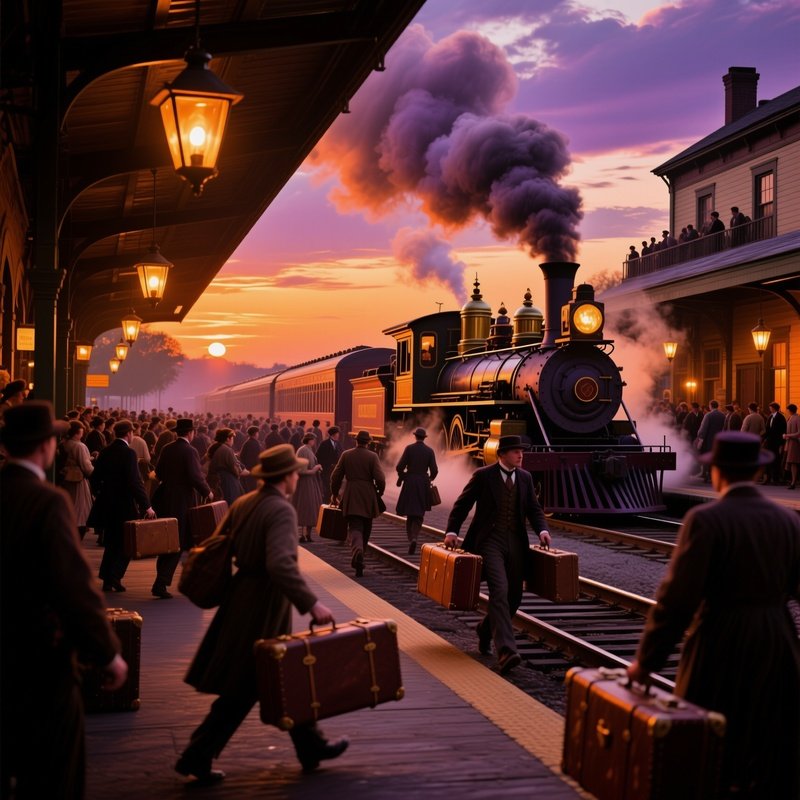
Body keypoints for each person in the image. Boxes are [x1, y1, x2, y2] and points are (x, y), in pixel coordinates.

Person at [627, 432, 800, 799]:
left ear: (718, 473)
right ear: (756, 473)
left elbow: (677, 600)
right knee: (771, 737)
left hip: (722, 636)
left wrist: (646, 661)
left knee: (711, 736)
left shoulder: (706, 519)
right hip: (776, 637)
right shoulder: (789, 521)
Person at [176, 445, 349, 783]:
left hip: (241, 597)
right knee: (251, 682)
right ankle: (197, 755)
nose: (298, 476)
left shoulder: (244, 502)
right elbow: (280, 564)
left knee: (275, 675)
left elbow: (219, 542)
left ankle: (310, 746)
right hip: (264, 604)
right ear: (286, 476)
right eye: (295, 471)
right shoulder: (281, 510)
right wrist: (311, 603)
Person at [1, 402, 127, 799]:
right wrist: (107, 651)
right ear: (46, 445)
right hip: (38, 655)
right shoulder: (46, 501)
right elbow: (72, 585)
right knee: (55, 771)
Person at [444, 435, 551, 674]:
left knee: (514, 597)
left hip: (515, 542)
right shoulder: (483, 476)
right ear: (502, 454)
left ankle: (484, 629)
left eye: (521, 451)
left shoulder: (525, 478)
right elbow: (462, 505)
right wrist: (452, 531)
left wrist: (542, 529)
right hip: (489, 541)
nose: (520, 455)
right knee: (499, 590)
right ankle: (506, 651)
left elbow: (534, 509)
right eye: (515, 452)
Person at [89, 419, 156, 592]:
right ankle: (115, 577)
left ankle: (107, 578)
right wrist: (147, 505)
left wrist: (100, 494)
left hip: (107, 504)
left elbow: (95, 477)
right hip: (124, 505)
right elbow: (134, 482)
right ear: (128, 434)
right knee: (126, 543)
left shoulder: (106, 451)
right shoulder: (129, 453)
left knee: (111, 541)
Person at [151, 418, 213, 599]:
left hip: (164, 499)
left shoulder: (167, 448)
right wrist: (207, 492)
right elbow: (195, 476)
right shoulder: (190, 451)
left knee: (169, 541)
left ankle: (165, 580)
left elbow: (159, 472)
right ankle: (161, 583)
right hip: (182, 501)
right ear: (190, 433)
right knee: (179, 542)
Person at [330, 430, 386, 578]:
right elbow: (380, 478)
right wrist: (380, 492)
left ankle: (357, 551)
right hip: (368, 495)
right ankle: (361, 553)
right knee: (366, 527)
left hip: (351, 493)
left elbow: (335, 476)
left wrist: (334, 493)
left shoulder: (346, 455)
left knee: (354, 526)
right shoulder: (372, 456)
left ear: (356, 441)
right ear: (368, 442)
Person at [395, 427, 439, 555]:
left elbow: (399, 467)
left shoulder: (409, 449)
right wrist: (429, 479)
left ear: (415, 437)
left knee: (410, 512)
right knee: (419, 513)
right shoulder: (429, 451)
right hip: (423, 483)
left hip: (410, 482)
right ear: (424, 438)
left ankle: (411, 539)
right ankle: (415, 537)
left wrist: (403, 476)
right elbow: (435, 470)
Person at [58, 420, 95, 539]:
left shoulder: (64, 443)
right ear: (76, 433)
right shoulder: (80, 446)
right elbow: (86, 466)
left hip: (65, 479)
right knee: (81, 511)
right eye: (81, 432)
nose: (82, 435)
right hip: (78, 481)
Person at [293, 432, 324, 541]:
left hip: (311, 482)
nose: (314, 442)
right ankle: (303, 534)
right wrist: (315, 469)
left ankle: (307, 534)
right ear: (310, 440)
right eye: (313, 440)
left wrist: (316, 468)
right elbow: (301, 470)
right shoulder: (303, 451)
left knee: (311, 508)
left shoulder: (307, 450)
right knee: (306, 507)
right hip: (305, 483)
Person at [207, 427, 247, 506]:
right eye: (232, 438)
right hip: (228, 483)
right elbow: (236, 469)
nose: (233, 440)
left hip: (217, 482)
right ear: (228, 439)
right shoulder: (227, 450)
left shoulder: (213, 448)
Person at [695, 400, 725, 481]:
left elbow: (703, 429)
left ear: (711, 406)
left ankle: (708, 475)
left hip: (709, 440)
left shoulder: (708, 415)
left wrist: (700, 437)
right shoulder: (723, 415)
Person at [763, 402, 787, 484]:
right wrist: (763, 438)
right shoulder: (770, 416)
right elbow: (768, 430)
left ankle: (775, 479)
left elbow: (783, 430)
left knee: (776, 460)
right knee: (768, 460)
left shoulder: (780, 417)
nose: (769, 409)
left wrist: (781, 443)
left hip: (776, 443)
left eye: (770, 407)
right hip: (769, 442)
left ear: (774, 408)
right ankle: (768, 478)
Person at [316, 425, 341, 498]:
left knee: (334, 486)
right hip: (327, 470)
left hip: (335, 469)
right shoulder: (324, 444)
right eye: (337, 433)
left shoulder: (338, 444)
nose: (338, 435)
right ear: (334, 434)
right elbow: (318, 456)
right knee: (327, 487)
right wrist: (325, 465)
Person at [239, 425, 262, 492]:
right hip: (253, 469)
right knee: (254, 488)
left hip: (248, 469)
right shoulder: (254, 443)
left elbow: (242, 456)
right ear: (255, 433)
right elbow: (257, 457)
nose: (258, 434)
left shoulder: (247, 442)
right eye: (258, 432)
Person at [783, 403, 800, 490]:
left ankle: (793, 482)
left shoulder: (797, 418)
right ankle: (792, 481)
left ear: (790, 410)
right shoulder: (791, 418)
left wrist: (788, 435)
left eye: (787, 410)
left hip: (795, 443)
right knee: (792, 463)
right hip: (790, 443)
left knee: (794, 463)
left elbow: (799, 433)